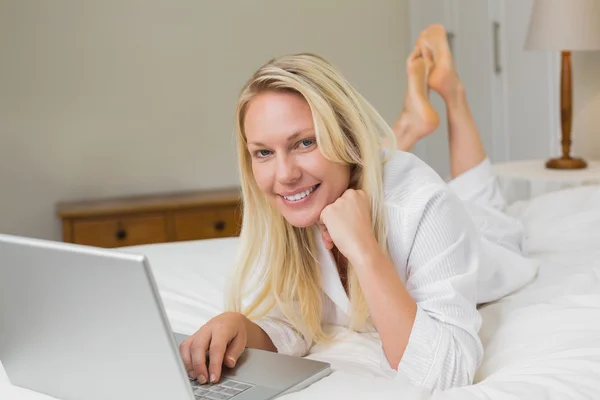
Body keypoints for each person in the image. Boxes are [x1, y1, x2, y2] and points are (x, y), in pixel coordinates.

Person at [178, 24, 538, 391]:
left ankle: (454, 95)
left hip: (484, 237)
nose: (284, 175)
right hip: (371, 179)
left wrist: (365, 251)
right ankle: (407, 126)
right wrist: (241, 328)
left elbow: (444, 373)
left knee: (481, 203)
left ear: (346, 138)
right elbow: (296, 318)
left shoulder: (422, 202)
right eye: (264, 152)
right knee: (360, 171)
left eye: (304, 142)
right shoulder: (283, 204)